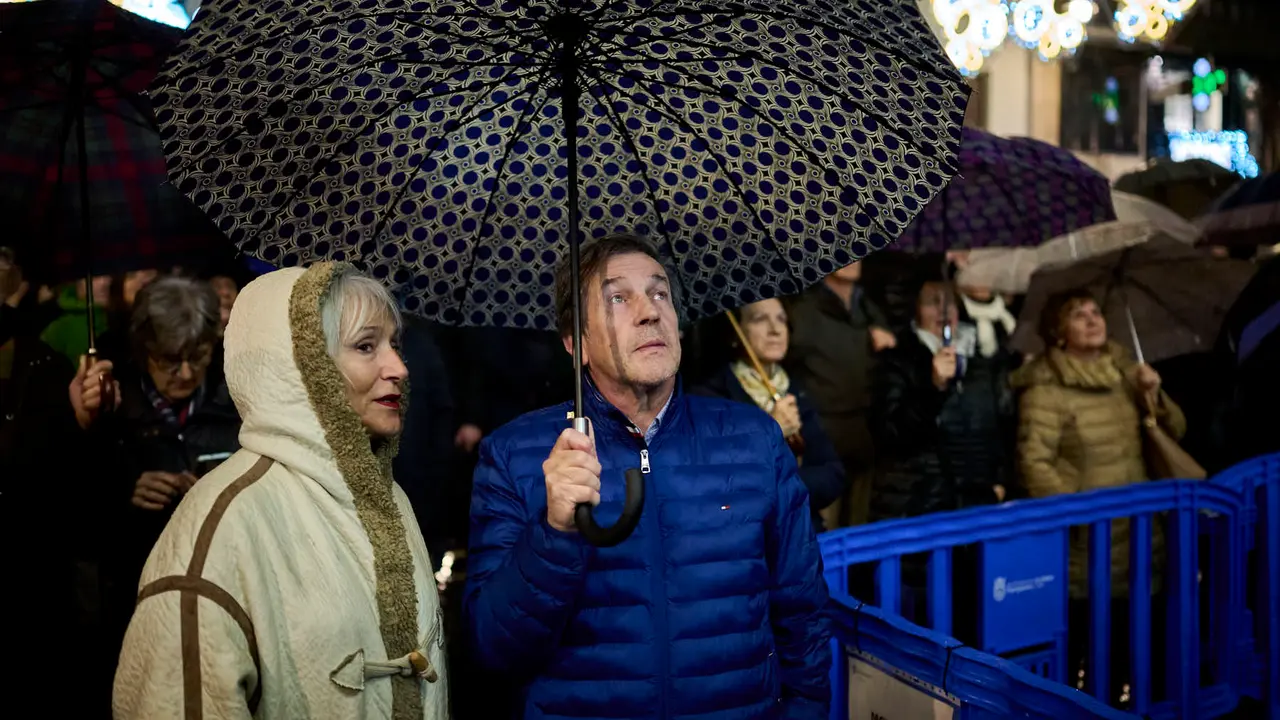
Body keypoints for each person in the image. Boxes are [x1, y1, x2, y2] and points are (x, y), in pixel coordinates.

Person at [465, 234, 830, 719]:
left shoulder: (754, 440)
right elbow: (492, 649)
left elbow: (803, 619)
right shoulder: (514, 455)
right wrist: (554, 533)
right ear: (578, 344)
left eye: (660, 293)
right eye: (618, 298)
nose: (649, 311)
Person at [112, 264, 448, 719]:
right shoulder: (221, 525)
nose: (399, 368)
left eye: (394, 344)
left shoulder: (388, 496)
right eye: (366, 346)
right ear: (300, 365)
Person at [1012, 287, 1186, 703]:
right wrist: (1079, 512)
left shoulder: (1128, 373)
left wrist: (1153, 394)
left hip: (1143, 538)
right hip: (1087, 546)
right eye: (1078, 315)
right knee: (1087, 643)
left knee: (1138, 643)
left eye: (1095, 312)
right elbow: (1034, 464)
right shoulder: (1046, 388)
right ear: (1058, 331)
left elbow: (1175, 433)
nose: (1092, 321)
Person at [692, 298, 845, 530]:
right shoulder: (709, 398)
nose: (774, 330)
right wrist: (770, 431)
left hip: (801, 532)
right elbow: (722, 483)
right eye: (759, 319)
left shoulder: (794, 391)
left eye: (781, 320)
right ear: (736, 333)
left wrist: (776, 491)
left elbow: (832, 474)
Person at [786, 260, 895, 529]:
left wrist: (891, 342)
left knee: (859, 528)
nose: (855, 259)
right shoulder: (803, 310)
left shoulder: (868, 307)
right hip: (823, 435)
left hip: (864, 433)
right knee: (826, 530)